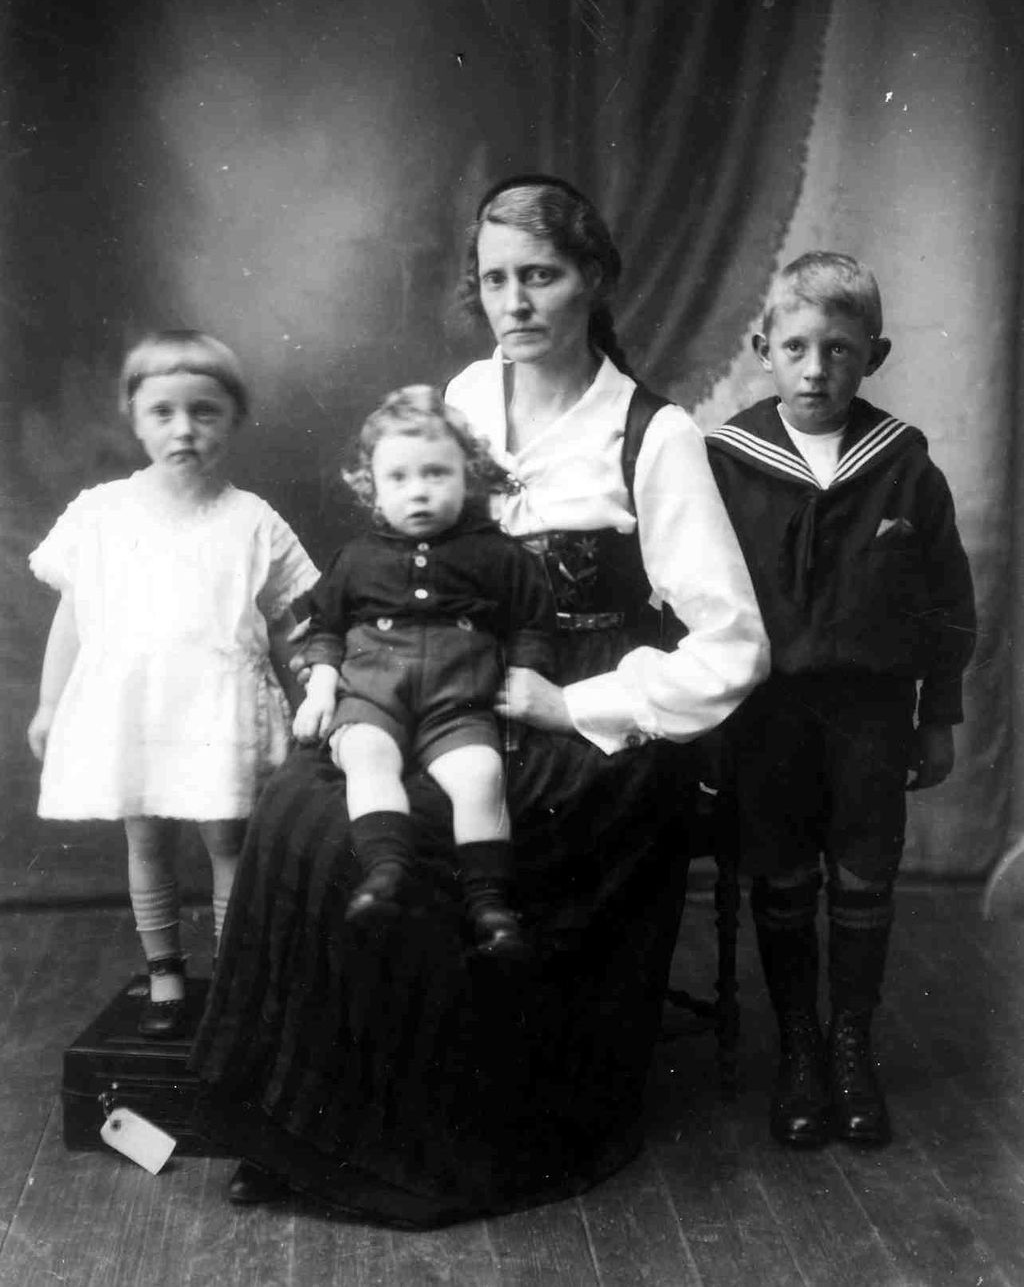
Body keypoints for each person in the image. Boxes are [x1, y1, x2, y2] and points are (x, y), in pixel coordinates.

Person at [191, 174, 768, 1225]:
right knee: (302, 809)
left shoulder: (653, 433)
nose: (515, 301)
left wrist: (575, 703)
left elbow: (734, 643)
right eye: (496, 279)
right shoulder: (464, 396)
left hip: (582, 719)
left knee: (419, 834)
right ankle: (304, 1127)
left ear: (594, 280)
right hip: (443, 685)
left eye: (540, 275)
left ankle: (419, 1145)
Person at [706, 252, 976, 1149]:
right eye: (795, 347)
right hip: (768, 714)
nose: (816, 369)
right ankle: (798, 1046)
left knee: (864, 873)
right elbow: (693, 599)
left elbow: (947, 602)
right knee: (782, 872)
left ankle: (851, 1042)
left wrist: (938, 714)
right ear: (763, 350)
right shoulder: (726, 462)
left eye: (840, 350)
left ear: (875, 355)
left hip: (871, 713)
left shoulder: (904, 467)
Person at [26, 331, 319, 1038]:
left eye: (204, 410)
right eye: (163, 411)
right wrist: (48, 704)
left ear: (234, 417)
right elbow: (72, 617)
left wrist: (312, 696)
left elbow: (290, 625)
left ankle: (233, 976)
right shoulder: (100, 513)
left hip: (220, 713)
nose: (184, 428)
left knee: (229, 843)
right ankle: (164, 972)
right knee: (147, 840)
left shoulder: (253, 520)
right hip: (137, 711)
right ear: (135, 417)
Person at [292, 384, 555, 959]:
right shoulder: (356, 559)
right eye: (399, 478)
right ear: (372, 488)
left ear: (468, 474)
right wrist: (320, 689)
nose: (418, 491)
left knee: (481, 774)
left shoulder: (498, 554)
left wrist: (527, 674)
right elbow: (326, 628)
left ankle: (489, 903)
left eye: (436, 473)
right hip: (371, 695)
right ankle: (385, 872)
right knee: (366, 754)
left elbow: (531, 624)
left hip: (458, 703)